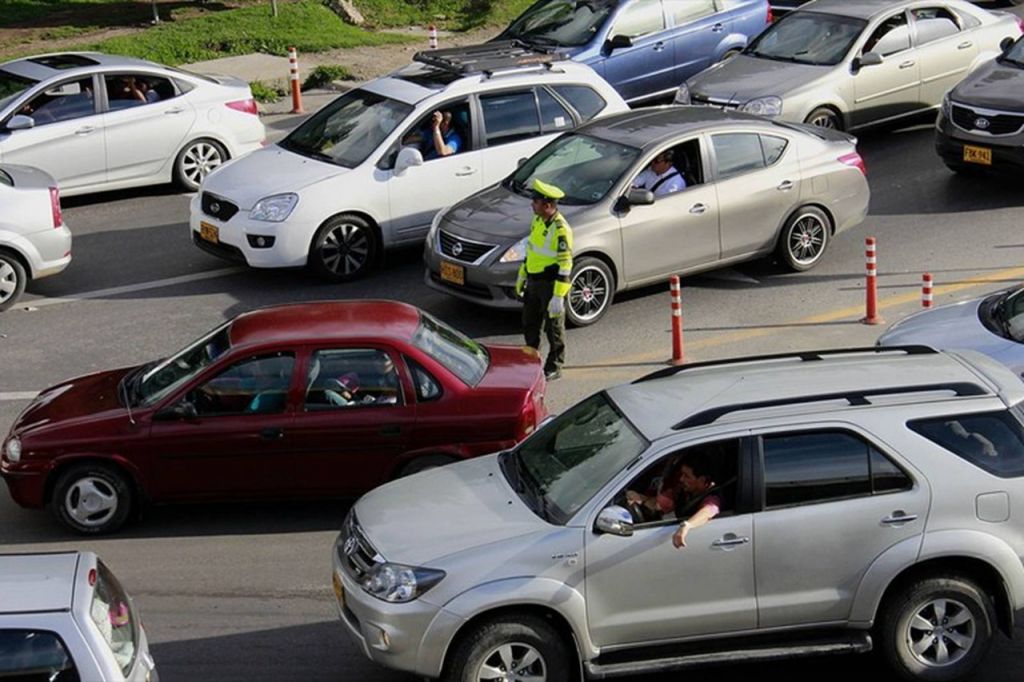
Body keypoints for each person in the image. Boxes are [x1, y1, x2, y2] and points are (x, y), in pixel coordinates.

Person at [515, 178, 573, 381]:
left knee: (553, 328)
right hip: (533, 281)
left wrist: (558, 297)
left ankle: (555, 365)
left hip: (550, 285)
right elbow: (531, 250)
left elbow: (566, 264)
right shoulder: (538, 220)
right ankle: (532, 361)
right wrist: (522, 276)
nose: (532, 204)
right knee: (529, 323)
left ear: (547, 205)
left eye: (536, 202)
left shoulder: (561, 229)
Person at [625, 456, 721, 550]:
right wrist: (640, 498)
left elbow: (708, 511)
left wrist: (687, 526)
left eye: (687, 476)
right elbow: (659, 503)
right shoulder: (683, 491)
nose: (681, 479)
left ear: (702, 480)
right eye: (682, 475)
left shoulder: (712, 498)